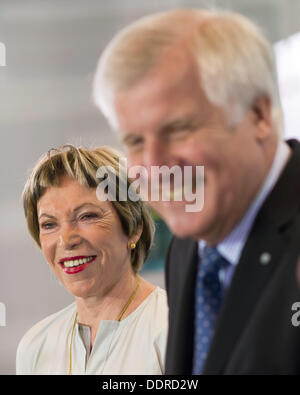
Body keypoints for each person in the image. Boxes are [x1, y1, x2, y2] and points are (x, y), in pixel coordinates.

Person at [93, 9, 300, 374]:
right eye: (136, 141)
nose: (154, 166)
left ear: (258, 115)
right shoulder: (189, 248)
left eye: (178, 129)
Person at [17, 145, 168, 374]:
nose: (66, 240)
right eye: (49, 224)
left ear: (133, 228)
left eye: (87, 216)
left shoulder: (173, 328)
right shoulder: (36, 345)